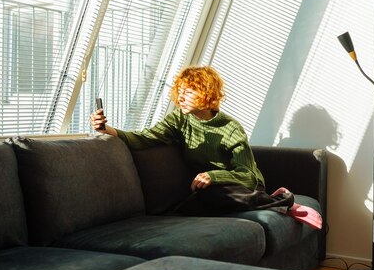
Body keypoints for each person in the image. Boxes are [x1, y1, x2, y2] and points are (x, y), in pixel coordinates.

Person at [90, 65, 321, 229]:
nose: (180, 98)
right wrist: (107, 130)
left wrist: (213, 176)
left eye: (188, 92)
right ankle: (275, 202)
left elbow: (248, 177)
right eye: (179, 92)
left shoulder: (230, 128)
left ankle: (282, 202)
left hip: (240, 186)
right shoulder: (179, 119)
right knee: (198, 200)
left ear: (207, 94)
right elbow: (144, 138)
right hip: (207, 190)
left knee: (214, 192)